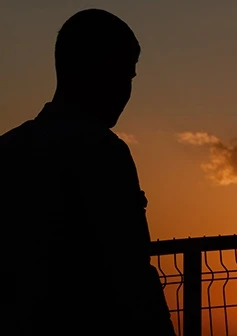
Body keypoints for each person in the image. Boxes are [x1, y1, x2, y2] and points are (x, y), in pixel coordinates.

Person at [0, 9, 175, 335]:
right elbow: (131, 274)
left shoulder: (8, 149)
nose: (126, 91)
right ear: (91, 70)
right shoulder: (102, 151)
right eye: (123, 74)